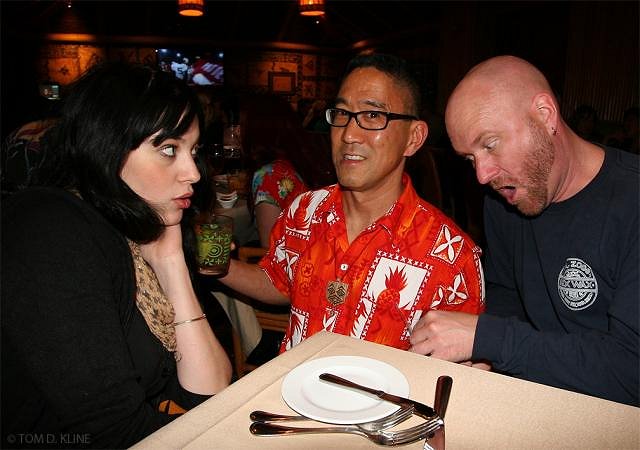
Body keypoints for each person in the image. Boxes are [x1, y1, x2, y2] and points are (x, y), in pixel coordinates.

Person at [2, 62, 232, 447]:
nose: (193, 172)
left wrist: (171, 262)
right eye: (169, 149)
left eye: (193, 151)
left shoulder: (133, 232)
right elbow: (112, 431)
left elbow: (208, 395)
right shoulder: (49, 226)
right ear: (106, 145)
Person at [410, 55, 639, 406]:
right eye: (470, 158)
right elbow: (508, 291)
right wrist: (483, 355)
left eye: (490, 144)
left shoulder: (631, 202)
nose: (482, 175)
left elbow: (631, 372)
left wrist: (490, 340)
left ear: (545, 115)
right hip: (537, 396)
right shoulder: (506, 197)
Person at [219, 53, 485, 353]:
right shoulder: (304, 211)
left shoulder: (451, 258)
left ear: (413, 138)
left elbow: (463, 370)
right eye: (342, 114)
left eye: (372, 116)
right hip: (293, 381)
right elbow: (279, 280)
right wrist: (219, 265)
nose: (348, 134)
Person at [238, 93, 335, 248]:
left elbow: (270, 246)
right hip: (319, 250)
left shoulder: (268, 175)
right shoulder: (304, 160)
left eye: (242, 126)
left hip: (296, 258)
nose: (238, 132)